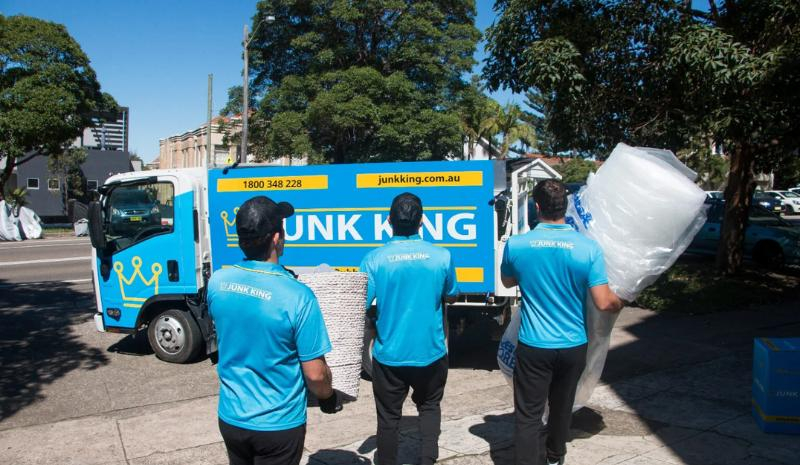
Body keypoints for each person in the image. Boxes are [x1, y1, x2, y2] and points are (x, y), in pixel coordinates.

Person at [207, 195, 341, 465]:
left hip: (232, 418)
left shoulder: (217, 282)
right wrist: (329, 397)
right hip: (278, 426)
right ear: (277, 238)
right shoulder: (298, 295)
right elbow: (315, 374)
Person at [501, 180, 623, 465]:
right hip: (573, 345)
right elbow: (604, 302)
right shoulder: (588, 249)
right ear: (565, 208)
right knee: (561, 408)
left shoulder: (518, 245)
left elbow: (508, 281)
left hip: (533, 345)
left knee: (528, 414)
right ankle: (555, 458)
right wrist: (621, 301)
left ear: (538, 207)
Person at [360, 192, 459, 465]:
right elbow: (452, 295)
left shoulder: (374, 259)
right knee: (429, 408)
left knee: (389, 418)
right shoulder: (442, 256)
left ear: (388, 220)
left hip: (389, 354)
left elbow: (361, 302)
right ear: (422, 221)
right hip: (431, 351)